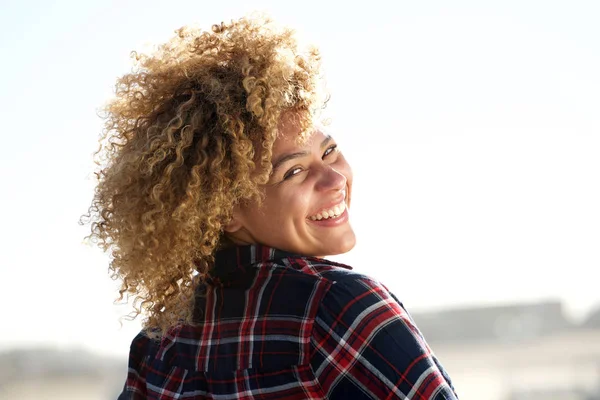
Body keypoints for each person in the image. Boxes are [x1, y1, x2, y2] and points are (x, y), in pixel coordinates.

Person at [85, 15, 459, 399]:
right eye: (293, 171)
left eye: (329, 151)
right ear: (224, 207)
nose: (334, 180)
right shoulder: (339, 309)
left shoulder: (158, 346)